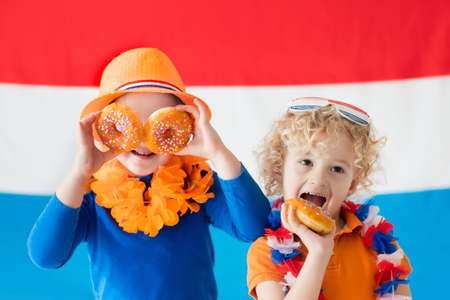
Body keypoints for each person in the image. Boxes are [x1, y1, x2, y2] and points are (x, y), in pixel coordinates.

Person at [27, 48, 271, 300]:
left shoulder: (196, 183)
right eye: (129, 125)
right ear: (103, 128)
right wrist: (80, 173)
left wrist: (218, 153)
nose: (143, 141)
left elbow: (254, 228)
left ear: (185, 127)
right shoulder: (91, 195)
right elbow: (46, 255)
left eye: (160, 128)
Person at [247, 97, 412, 300]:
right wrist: (319, 252)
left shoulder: (381, 246)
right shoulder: (266, 251)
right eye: (306, 161)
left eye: (336, 169)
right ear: (279, 169)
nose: (318, 180)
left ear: (352, 184)